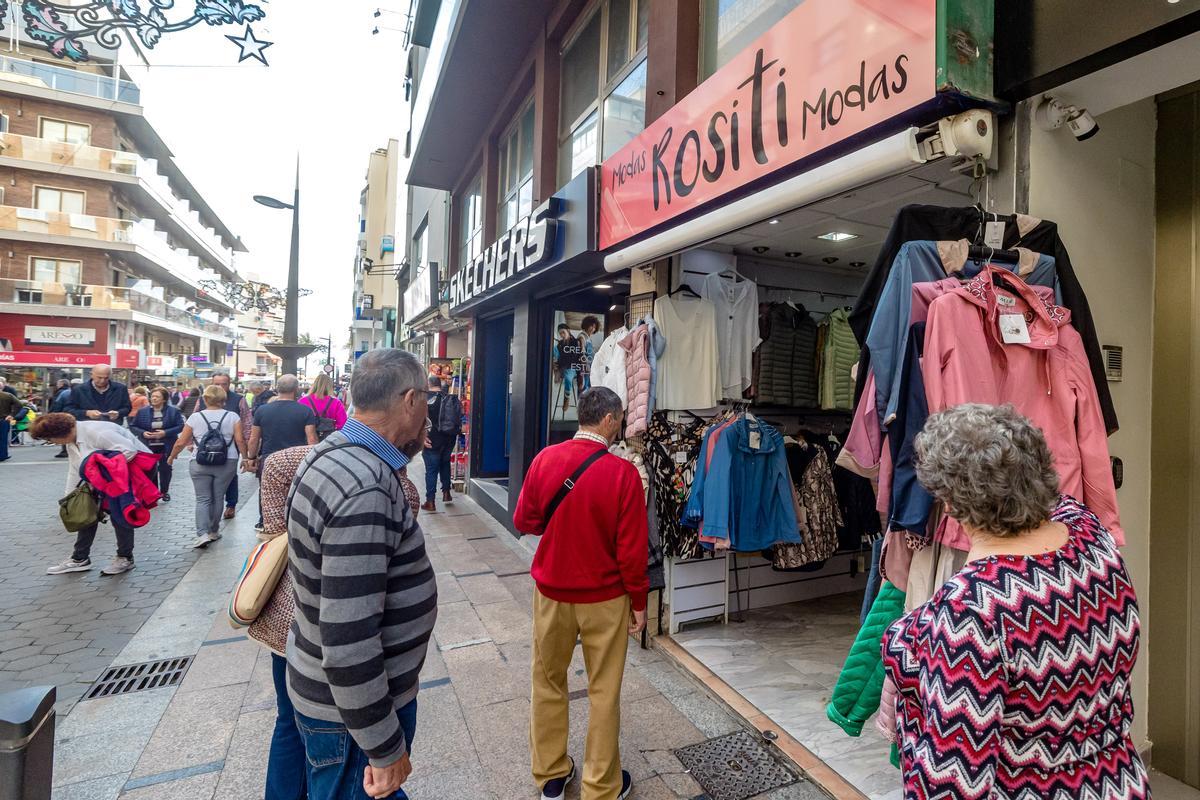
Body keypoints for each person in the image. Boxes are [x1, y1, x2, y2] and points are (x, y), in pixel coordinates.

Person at [882, 404, 1150, 800]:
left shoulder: (971, 611)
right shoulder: (1089, 534)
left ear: (952, 505)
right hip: (1119, 782)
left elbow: (951, 784)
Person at [286, 348, 437, 800]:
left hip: (339, 705)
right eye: (427, 399)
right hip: (353, 718)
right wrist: (384, 746)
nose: (429, 411)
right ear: (410, 400)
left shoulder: (332, 453)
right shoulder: (366, 486)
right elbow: (349, 639)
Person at [513, 386, 648, 800]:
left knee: (548, 681)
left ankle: (552, 776)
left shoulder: (544, 460)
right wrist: (639, 603)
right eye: (621, 419)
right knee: (604, 690)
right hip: (605, 599)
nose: (622, 426)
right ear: (608, 420)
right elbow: (632, 552)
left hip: (552, 592)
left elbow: (525, 520)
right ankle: (600, 786)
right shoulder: (624, 474)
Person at [32, 412, 152, 576]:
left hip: (129, 472)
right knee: (87, 511)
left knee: (120, 514)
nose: (51, 443)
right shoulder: (72, 440)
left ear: (59, 434)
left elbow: (129, 451)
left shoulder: (97, 432)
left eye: (50, 439)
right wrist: (70, 496)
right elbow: (75, 468)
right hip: (106, 476)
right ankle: (80, 558)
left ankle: (125, 557)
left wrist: (100, 470)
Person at [168, 384, 246, 549]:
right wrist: (246, 458)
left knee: (203, 498)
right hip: (227, 460)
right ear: (223, 400)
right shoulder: (233, 417)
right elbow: (240, 440)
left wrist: (172, 456)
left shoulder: (195, 418)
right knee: (218, 497)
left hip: (199, 461)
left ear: (205, 399)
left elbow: (181, 441)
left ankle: (202, 534)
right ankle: (213, 531)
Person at [246, 374, 316, 532]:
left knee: (267, 492)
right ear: (296, 390)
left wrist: (251, 458)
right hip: (296, 461)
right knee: (296, 492)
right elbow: (311, 439)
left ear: (277, 389)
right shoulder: (305, 411)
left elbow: (254, 439)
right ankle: (294, 524)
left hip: (269, 459)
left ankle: (265, 523)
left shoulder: (262, 411)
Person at [198, 372, 253, 520]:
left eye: (224, 384)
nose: (220, 387)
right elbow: (193, 420)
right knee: (207, 475)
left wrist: (246, 450)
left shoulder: (238, 400)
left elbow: (247, 423)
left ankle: (231, 504)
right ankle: (210, 505)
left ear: (229, 385)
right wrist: (192, 443)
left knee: (230, 476)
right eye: (217, 384)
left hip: (230, 446)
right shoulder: (203, 400)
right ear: (211, 383)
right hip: (206, 446)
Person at [130, 387, 184, 502]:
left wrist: (165, 433)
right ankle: (154, 493)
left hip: (166, 444)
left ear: (164, 399)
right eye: (152, 396)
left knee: (165, 468)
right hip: (148, 445)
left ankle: (164, 491)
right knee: (150, 469)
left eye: (157, 397)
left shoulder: (173, 411)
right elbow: (133, 426)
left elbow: (180, 426)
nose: (154, 398)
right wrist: (143, 433)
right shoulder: (143, 411)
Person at [420, 376, 462, 512]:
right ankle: (446, 493)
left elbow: (420, 420)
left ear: (428, 384)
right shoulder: (448, 397)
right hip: (449, 438)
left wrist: (421, 436)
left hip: (432, 439)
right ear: (440, 384)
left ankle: (430, 501)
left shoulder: (425, 399)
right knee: (445, 463)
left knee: (431, 470)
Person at [64, 365, 131, 426]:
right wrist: (87, 413)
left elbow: (127, 408)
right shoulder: (78, 389)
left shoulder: (121, 389)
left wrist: (118, 413)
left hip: (112, 428)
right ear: (91, 375)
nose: (102, 381)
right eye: (99, 377)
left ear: (110, 376)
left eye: (106, 378)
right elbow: (68, 410)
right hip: (87, 429)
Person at [298, 372, 348, 441]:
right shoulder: (336, 402)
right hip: (330, 441)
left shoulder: (303, 401)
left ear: (314, 384)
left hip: (306, 440)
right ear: (330, 386)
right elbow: (343, 424)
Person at [0, 383, 23, 462]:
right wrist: (12, 415)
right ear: (2, 387)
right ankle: (2, 455)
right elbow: (19, 405)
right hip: (4, 420)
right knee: (3, 438)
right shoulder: (8, 395)